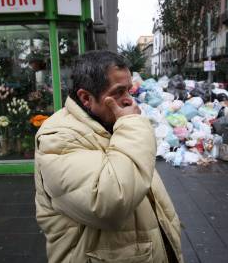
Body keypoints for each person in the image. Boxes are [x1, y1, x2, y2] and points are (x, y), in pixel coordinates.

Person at [35, 50, 183, 262]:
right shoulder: (58, 138)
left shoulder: (110, 122)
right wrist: (132, 126)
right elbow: (110, 203)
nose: (128, 101)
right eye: (118, 92)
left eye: (129, 90)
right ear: (86, 98)